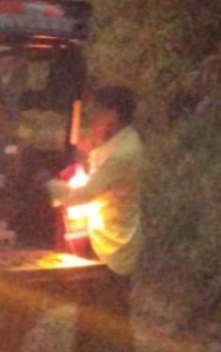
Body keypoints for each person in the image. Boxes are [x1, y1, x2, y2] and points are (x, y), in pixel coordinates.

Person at [47, 85, 143, 352]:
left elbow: (86, 193)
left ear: (112, 114)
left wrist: (48, 187)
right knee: (91, 315)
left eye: (97, 111)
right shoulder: (121, 140)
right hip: (104, 238)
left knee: (110, 319)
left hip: (113, 246)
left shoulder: (123, 152)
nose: (93, 116)